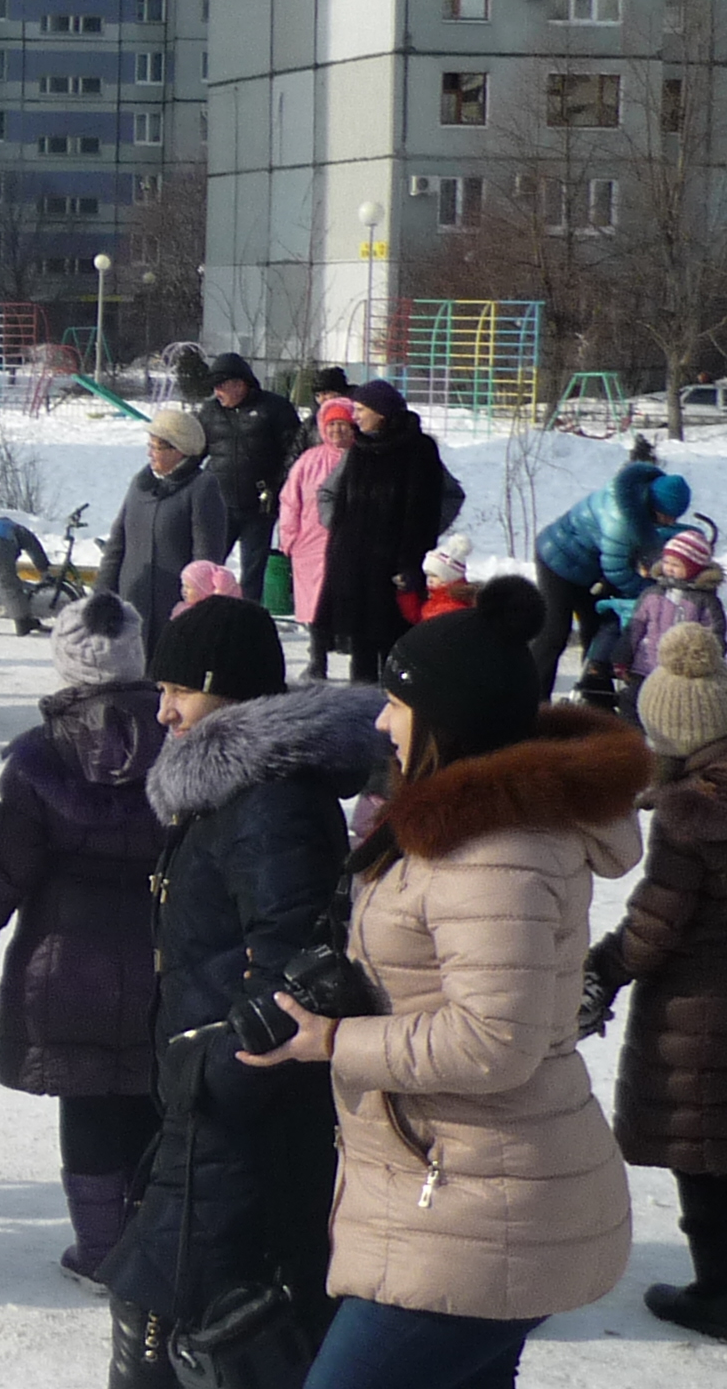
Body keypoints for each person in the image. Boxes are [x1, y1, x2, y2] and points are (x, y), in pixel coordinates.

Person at [236, 578, 643, 1389]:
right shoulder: (449, 831)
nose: (381, 721)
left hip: (486, 1205)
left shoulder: (495, 851)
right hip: (456, 1188)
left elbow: (496, 1040)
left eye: (395, 702)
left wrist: (335, 1041)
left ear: (445, 719)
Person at [99, 596, 383, 1376]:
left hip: (241, 1099)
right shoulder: (231, 790)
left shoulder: (269, 800)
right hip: (214, 1092)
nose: (163, 712)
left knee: (170, 1300)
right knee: (184, 1297)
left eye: (180, 692)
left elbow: (294, 962)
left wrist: (213, 1066)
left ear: (227, 689)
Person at [0, 591, 165, 1285]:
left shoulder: (42, 757)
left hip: (64, 955)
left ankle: (102, 1248)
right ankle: (146, 1242)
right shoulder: (183, 744)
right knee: (148, 1090)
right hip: (163, 948)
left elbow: (6, 865)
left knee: (86, 1100)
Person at [602, 622, 727, 1337]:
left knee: (706, 1162)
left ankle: (717, 1293)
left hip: (702, 1021)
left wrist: (603, 968)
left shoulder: (691, 815)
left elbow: (655, 929)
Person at [318, 379, 459, 691]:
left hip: (397, 565)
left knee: (395, 645)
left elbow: (436, 504)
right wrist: (340, 535)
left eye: (360, 409)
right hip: (354, 563)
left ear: (381, 413)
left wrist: (414, 549)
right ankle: (360, 711)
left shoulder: (419, 450)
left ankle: (394, 709)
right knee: (361, 649)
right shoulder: (360, 449)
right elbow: (335, 498)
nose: (354, 416)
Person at [536, 444, 692, 708]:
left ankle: (597, 701)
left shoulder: (641, 496)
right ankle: (533, 703)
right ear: (655, 505)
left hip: (588, 566)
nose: (668, 522)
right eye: (666, 517)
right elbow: (618, 572)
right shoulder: (621, 519)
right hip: (557, 559)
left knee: (597, 628)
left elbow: (650, 540)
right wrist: (650, 593)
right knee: (553, 635)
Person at [98, 407, 230, 656]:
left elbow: (206, 556)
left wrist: (197, 604)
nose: (150, 453)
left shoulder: (202, 487)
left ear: (178, 450)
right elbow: (117, 542)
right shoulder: (141, 484)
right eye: (150, 445)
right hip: (132, 602)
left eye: (157, 447)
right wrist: (103, 594)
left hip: (173, 606)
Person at [190, 353, 301, 605]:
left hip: (259, 505)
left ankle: (247, 616)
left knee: (253, 568)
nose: (217, 392)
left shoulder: (275, 408)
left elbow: (294, 454)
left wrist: (277, 487)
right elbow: (194, 453)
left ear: (240, 384)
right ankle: (200, 613)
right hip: (218, 504)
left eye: (221, 386)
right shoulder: (209, 412)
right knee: (206, 566)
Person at [277, 395, 357, 678]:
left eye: (344, 424)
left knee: (351, 602)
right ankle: (317, 660)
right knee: (314, 605)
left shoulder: (364, 458)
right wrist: (289, 537)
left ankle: (357, 661)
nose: (337, 430)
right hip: (310, 546)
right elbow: (290, 500)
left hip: (351, 546)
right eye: (332, 424)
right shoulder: (308, 461)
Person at [626, 529, 726, 704]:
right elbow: (635, 627)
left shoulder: (705, 601)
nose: (669, 568)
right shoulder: (652, 594)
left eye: (676, 565)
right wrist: (623, 655)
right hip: (645, 665)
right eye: (667, 562)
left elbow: (714, 635)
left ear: (694, 568)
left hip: (684, 674)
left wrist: (706, 664)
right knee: (632, 703)